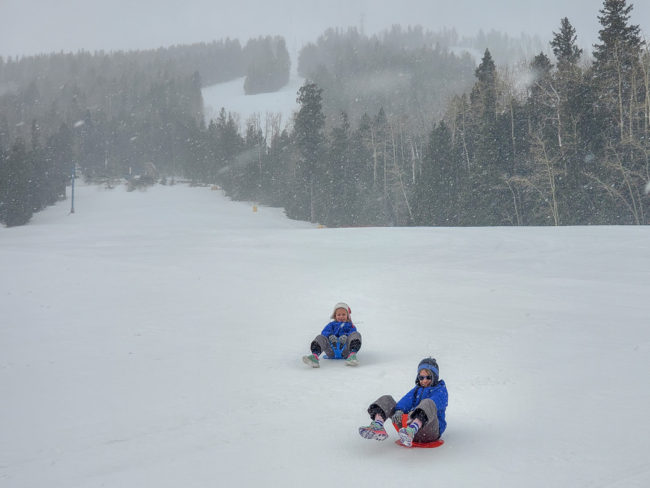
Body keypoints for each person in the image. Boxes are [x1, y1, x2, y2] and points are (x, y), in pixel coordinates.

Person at [358, 357, 448, 447]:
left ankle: (412, 429)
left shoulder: (440, 391)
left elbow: (434, 403)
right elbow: (406, 400)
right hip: (405, 429)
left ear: (435, 377)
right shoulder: (417, 389)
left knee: (428, 403)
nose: (424, 380)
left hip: (430, 431)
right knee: (387, 399)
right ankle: (378, 425)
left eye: (428, 377)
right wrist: (399, 410)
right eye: (421, 377)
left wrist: (414, 415)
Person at [302, 302, 362, 368]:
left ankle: (352, 356)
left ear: (347, 316)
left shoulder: (350, 325)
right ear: (335, 316)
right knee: (320, 337)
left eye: (343, 314)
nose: (341, 316)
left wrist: (346, 336)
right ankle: (314, 356)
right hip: (331, 350)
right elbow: (324, 332)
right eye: (339, 315)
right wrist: (330, 336)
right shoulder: (331, 325)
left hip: (345, 351)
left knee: (356, 334)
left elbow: (352, 333)